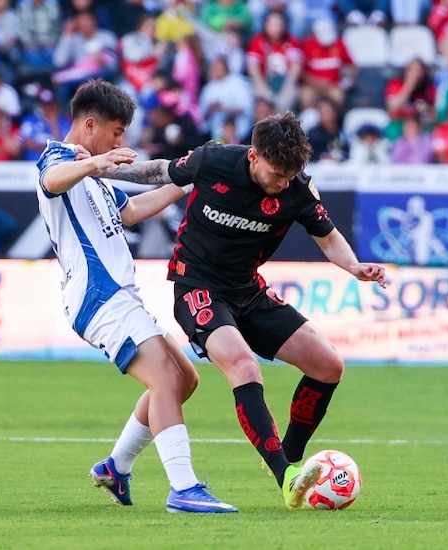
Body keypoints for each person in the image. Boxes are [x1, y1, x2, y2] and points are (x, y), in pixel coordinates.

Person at [96, 111, 386, 509]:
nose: (282, 183)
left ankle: (288, 461)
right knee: (244, 366)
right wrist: (99, 168)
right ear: (253, 157)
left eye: (290, 175)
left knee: (328, 365)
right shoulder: (213, 161)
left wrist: (354, 267)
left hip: (248, 290)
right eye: (276, 173)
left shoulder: (297, 188)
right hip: (197, 287)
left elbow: (329, 237)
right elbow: (160, 172)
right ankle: (286, 479)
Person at [35, 79, 237, 514]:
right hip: (98, 295)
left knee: (184, 380)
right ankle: (183, 488)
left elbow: (134, 210)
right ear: (90, 125)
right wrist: (98, 162)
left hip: (121, 295)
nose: (121, 141)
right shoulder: (59, 158)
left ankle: (116, 466)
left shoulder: (100, 178)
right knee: (165, 378)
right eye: (116, 132)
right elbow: (51, 181)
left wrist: (188, 180)